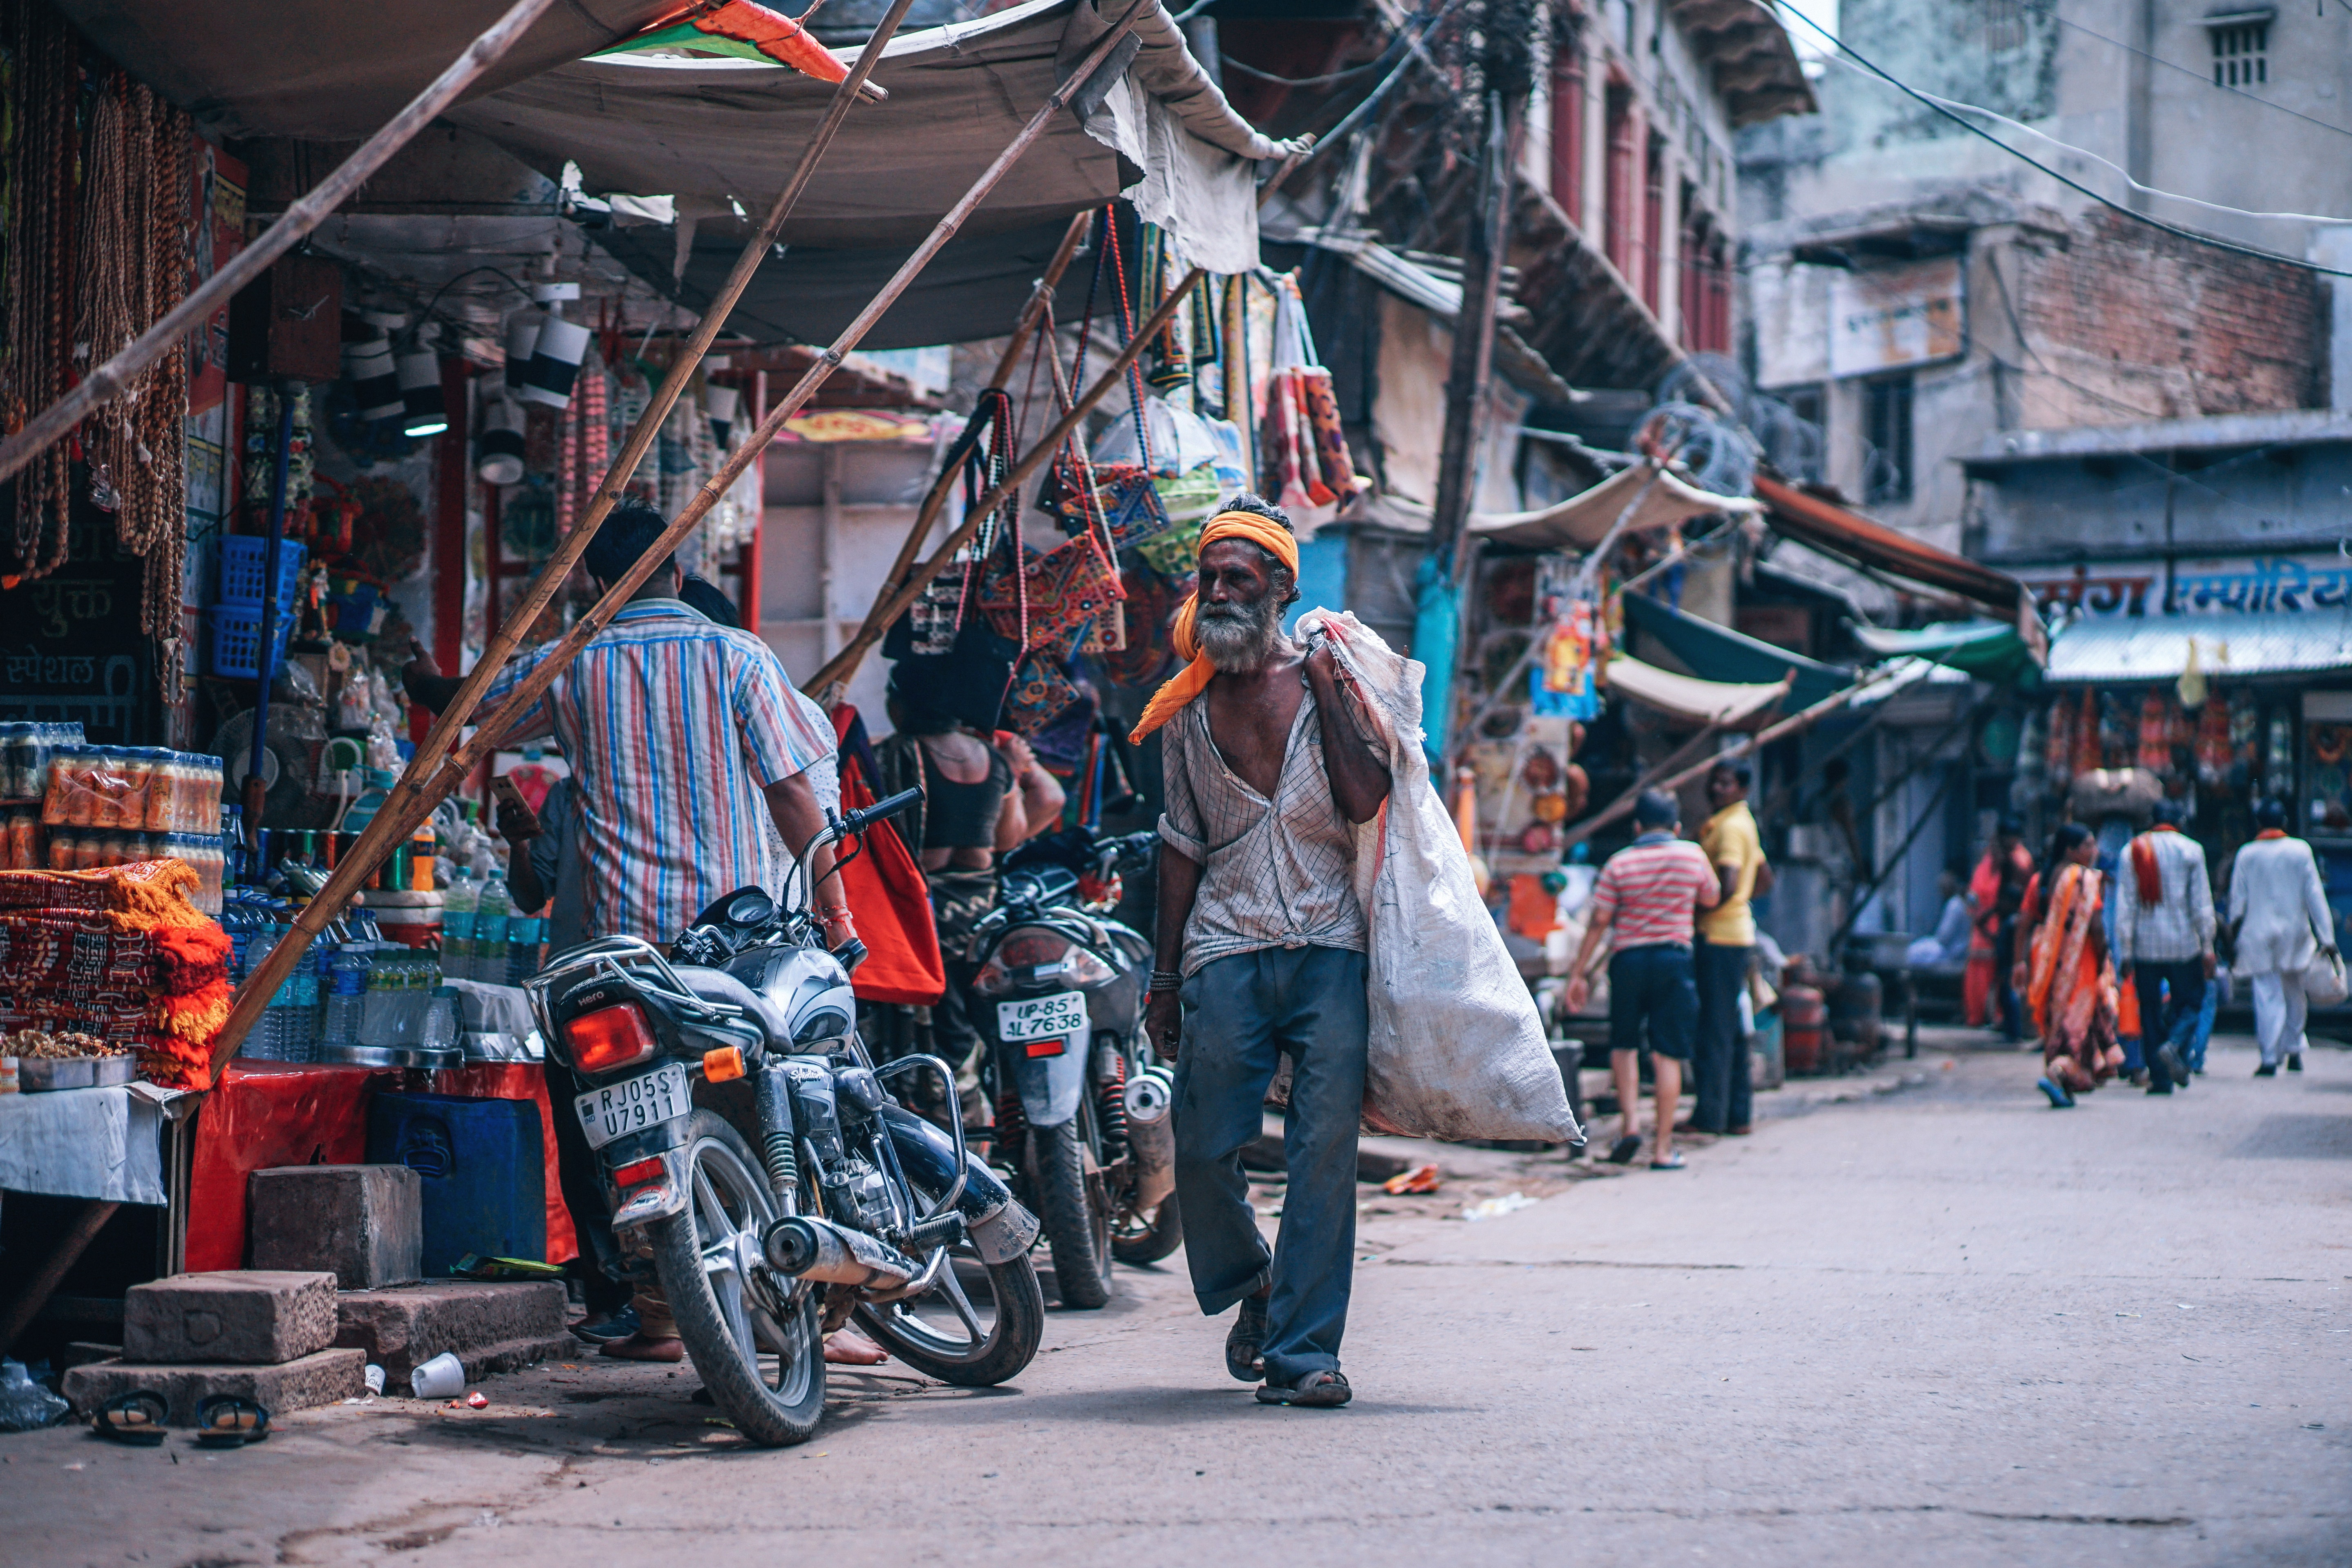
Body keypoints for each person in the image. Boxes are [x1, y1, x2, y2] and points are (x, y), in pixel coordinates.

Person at [403, 498, 869, 1364]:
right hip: (731, 949)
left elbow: (475, 713)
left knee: (635, 1133)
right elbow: (795, 795)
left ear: (593, 582)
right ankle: (796, 1307)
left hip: (621, 959)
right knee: (763, 1116)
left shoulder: (572, 665)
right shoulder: (737, 655)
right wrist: (839, 913)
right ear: (682, 575)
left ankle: (660, 1312)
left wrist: (434, 687)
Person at [1137, 497, 1392, 1410]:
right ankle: (1255, 1282)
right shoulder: (1185, 704)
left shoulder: (1335, 678)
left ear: (1282, 586)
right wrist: (1162, 980)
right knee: (1203, 1146)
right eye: (1208, 578)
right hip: (1224, 945)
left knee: (1323, 1151)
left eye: (1237, 578)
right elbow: (1179, 843)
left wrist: (1327, 691)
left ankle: (1304, 1355)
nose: (1217, 592)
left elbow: (1367, 799)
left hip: (1329, 944)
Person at [872, 662, 1066, 1070]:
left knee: (937, 1026)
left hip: (924, 915)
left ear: (901, 704)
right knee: (970, 1020)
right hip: (979, 915)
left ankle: (934, 1091)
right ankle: (971, 1092)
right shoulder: (993, 761)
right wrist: (1013, 774)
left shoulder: (895, 755)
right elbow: (1008, 839)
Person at [1562, 789, 1721, 1170]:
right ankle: (1664, 1149)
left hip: (1629, 961)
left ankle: (1630, 1125)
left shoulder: (1620, 863)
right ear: (1677, 826)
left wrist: (1578, 973)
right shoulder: (1692, 855)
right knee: (1667, 1054)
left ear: (1637, 826)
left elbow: (1600, 921)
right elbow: (1712, 897)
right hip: (1673, 960)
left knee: (1624, 1044)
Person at [2016, 823, 2123, 1107]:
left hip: (2049, 959)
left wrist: (2021, 962)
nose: (2094, 851)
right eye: (2088, 845)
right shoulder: (2083, 880)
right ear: (2071, 850)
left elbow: (2027, 921)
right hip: (2080, 962)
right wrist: (2103, 960)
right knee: (2076, 1024)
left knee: (2058, 1019)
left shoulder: (2045, 878)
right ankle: (2058, 1072)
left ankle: (2063, 1084)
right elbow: (2097, 927)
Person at [2228, 798, 2334, 1076]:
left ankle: (2268, 1056)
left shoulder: (2247, 854)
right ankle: (2295, 1048)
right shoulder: (2300, 851)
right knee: (2294, 993)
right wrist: (2327, 937)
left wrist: (2231, 935)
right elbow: (2315, 896)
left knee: (2266, 995)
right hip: (2295, 934)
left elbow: (2236, 903)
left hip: (2258, 935)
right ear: (2285, 823)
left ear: (2259, 824)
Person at [2114, 798, 2213, 1095]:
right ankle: (2174, 1044)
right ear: (2178, 822)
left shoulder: (2131, 851)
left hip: (2145, 946)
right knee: (2191, 1002)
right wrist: (2207, 944)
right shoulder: (2191, 850)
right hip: (2183, 944)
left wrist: (2126, 949)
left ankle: (2159, 1079)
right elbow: (2201, 904)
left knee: (2150, 1010)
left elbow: (2125, 905)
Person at [1693, 758, 1769, 1137]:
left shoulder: (1730, 828)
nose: (1716, 789)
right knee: (1731, 1029)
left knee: (1715, 1029)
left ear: (1741, 788)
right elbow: (1764, 878)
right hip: (1735, 934)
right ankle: (1736, 1114)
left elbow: (1729, 881)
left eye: (1725, 783)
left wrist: (1698, 913)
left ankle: (1711, 1115)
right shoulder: (1742, 823)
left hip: (1720, 938)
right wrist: (1741, 901)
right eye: (1714, 782)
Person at [1989, 818, 2035, 1042]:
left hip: (2015, 919)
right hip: (2011, 918)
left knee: (2010, 978)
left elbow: (2018, 890)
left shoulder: (2018, 859)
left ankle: (2016, 1029)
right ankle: (2011, 1026)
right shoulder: (2015, 857)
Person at [1907, 866, 1971, 969]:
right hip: (1957, 948)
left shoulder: (1954, 905)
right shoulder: (1959, 903)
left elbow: (1944, 936)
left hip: (1951, 951)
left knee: (1914, 951)